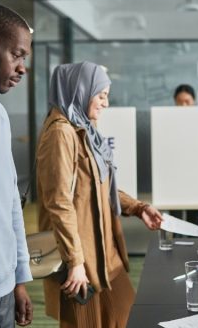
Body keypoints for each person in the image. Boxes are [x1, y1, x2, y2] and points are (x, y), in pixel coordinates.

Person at [36, 61, 163, 328]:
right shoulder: (61, 133)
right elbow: (59, 203)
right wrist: (75, 262)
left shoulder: (85, 131)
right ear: (80, 90)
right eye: (101, 95)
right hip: (82, 261)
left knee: (126, 317)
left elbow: (100, 185)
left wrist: (138, 207)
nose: (106, 103)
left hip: (106, 256)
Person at [0, 3, 33, 327]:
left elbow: (10, 201)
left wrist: (19, 278)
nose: (22, 68)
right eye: (16, 54)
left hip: (3, 287)